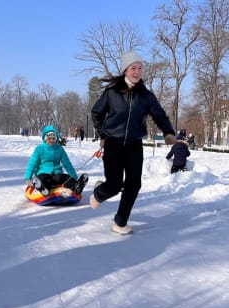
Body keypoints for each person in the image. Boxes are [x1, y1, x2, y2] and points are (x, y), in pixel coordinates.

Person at [90, 51, 179, 235]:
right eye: (133, 68)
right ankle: (99, 192)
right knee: (114, 185)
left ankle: (120, 222)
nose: (137, 72)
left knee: (134, 184)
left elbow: (159, 115)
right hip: (113, 144)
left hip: (134, 146)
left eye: (140, 68)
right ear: (125, 70)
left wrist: (168, 132)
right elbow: (96, 113)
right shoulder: (112, 92)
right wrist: (103, 134)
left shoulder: (146, 96)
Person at [24, 125, 88, 196]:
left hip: (56, 174)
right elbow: (32, 163)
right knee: (41, 178)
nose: (51, 140)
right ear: (45, 139)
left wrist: (74, 177)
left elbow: (67, 164)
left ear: (56, 139)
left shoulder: (59, 149)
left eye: (53, 138)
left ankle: (76, 186)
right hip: (43, 173)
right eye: (49, 138)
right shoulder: (39, 149)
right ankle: (43, 188)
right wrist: (28, 178)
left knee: (64, 178)